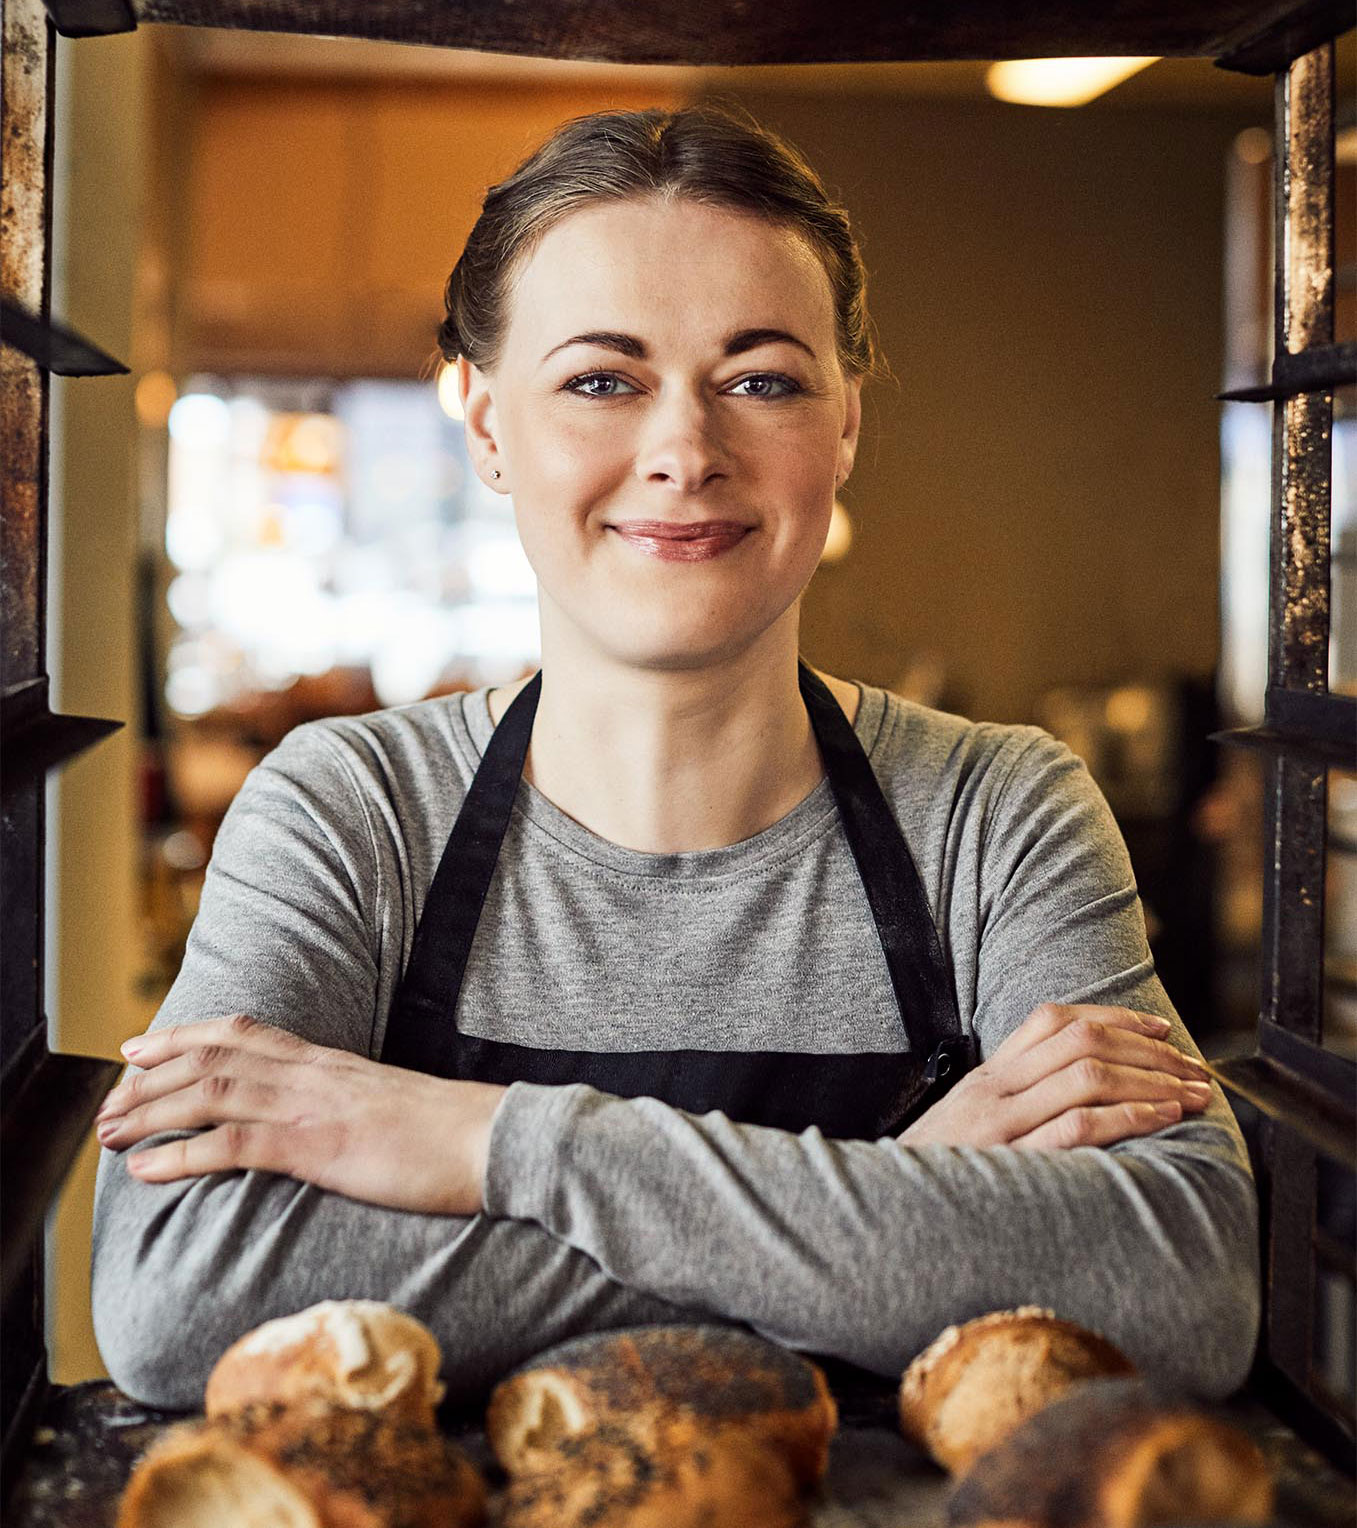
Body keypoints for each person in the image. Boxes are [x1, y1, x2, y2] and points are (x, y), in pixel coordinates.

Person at [90, 106, 1258, 1410]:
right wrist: (902, 1197)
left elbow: (1184, 1290)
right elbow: (175, 1294)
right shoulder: (351, 811)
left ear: (846, 425)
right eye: (600, 379)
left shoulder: (997, 812)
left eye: (761, 378)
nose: (685, 452)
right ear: (483, 424)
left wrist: (489, 1144)